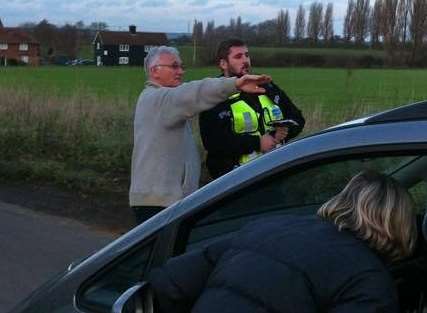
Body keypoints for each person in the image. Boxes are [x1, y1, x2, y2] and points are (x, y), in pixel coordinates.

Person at [148, 170, 417, 313]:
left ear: (341, 201)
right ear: (400, 226)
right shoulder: (370, 282)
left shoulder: (268, 226)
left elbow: (170, 284)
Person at [129, 46, 272, 224]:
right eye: (174, 66)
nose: (181, 71)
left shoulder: (163, 101)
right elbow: (193, 92)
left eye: (181, 66)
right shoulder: (157, 99)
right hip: (158, 204)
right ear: (154, 71)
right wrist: (234, 84)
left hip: (167, 201)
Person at [199, 38, 306, 179]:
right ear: (223, 64)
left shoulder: (267, 86)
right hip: (233, 181)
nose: (245, 60)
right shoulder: (214, 95)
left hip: (274, 172)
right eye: (238, 56)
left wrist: (281, 133)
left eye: (247, 55)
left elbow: (297, 118)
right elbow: (213, 142)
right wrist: (257, 143)